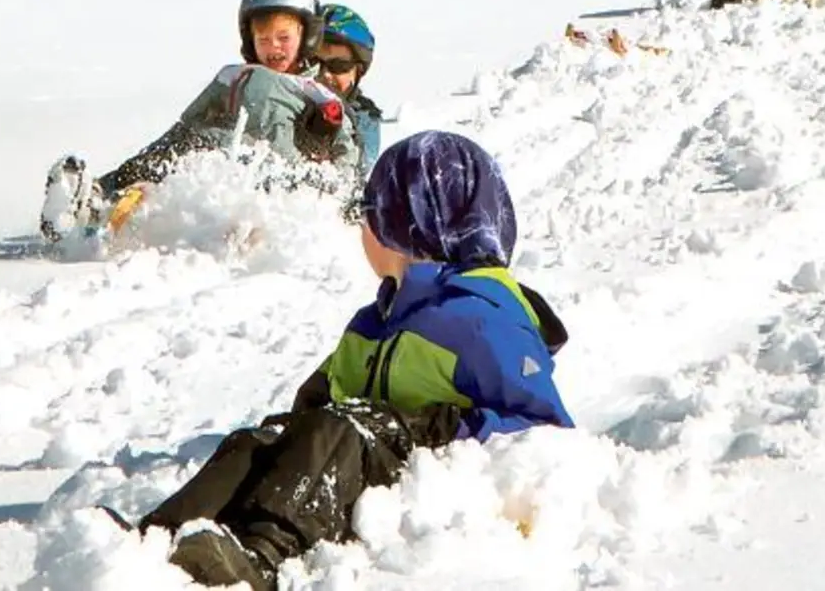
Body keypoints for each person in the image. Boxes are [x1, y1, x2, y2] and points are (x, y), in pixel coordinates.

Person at [110, 131, 574, 589]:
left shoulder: (482, 319)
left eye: (369, 214)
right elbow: (320, 401)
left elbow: (545, 430)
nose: (361, 228)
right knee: (258, 442)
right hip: (351, 458)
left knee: (336, 431)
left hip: (426, 484)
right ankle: (154, 542)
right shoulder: (374, 322)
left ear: (407, 223)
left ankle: (264, 559)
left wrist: (447, 428)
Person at [39, 0, 363, 242]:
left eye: (283, 38)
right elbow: (188, 123)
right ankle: (96, 199)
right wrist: (168, 151)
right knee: (174, 150)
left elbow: (347, 153)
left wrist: (340, 193)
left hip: (280, 175)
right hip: (219, 157)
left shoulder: (317, 94)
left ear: (307, 37)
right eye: (263, 39)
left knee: (204, 153)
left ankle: (250, 233)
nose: (273, 47)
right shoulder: (234, 75)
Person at [316, 3, 384, 173]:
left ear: (358, 71)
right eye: (313, 63)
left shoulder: (363, 121)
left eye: (338, 66)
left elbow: (354, 174)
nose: (325, 75)